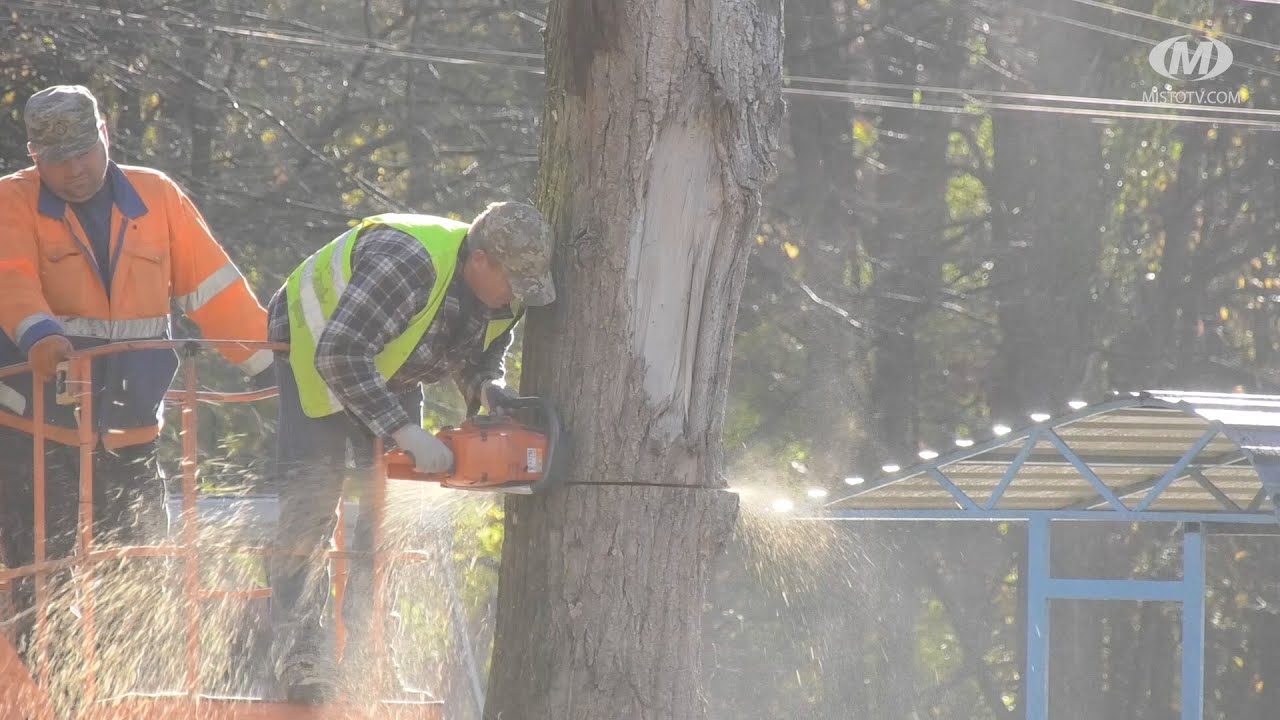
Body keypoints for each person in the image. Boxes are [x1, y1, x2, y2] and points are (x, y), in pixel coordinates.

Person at [0, 85, 271, 672]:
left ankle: (130, 686)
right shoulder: (11, 202)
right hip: (33, 432)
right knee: (43, 578)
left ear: (106, 137)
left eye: (83, 153)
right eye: (57, 160)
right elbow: (11, 278)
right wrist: (39, 335)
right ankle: (54, 694)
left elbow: (216, 291)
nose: (74, 171)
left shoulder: (157, 197)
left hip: (129, 431)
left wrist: (272, 365)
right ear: (33, 155)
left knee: (144, 568)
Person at [264, 202, 555, 703]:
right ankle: (301, 654)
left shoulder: (510, 288)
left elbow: (479, 353)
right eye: (511, 282)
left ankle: (372, 649)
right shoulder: (409, 262)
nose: (517, 297)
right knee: (312, 501)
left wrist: (489, 390)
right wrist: (401, 428)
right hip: (316, 346)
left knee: (389, 510)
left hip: (392, 358)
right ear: (479, 261)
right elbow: (341, 351)